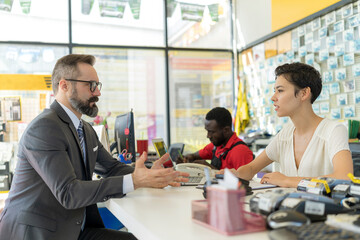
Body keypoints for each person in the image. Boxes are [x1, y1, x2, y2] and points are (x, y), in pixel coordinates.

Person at [0, 54, 189, 240]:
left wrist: (148, 174)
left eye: (97, 86)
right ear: (64, 85)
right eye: (90, 85)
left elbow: (111, 168)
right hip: (38, 232)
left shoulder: (85, 129)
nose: (97, 92)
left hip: (72, 227)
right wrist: (134, 180)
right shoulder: (44, 128)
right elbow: (69, 193)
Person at [219, 62, 353, 188]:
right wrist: (234, 173)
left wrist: (287, 180)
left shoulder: (333, 130)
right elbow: (251, 169)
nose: (273, 97)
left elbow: (344, 178)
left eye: (280, 90)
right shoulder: (285, 134)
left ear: (304, 93)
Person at [178, 107, 254, 170]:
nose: (208, 136)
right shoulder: (216, 145)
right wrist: (188, 159)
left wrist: (210, 170)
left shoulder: (240, 152)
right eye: (207, 131)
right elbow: (194, 156)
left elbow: (245, 182)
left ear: (226, 130)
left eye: (212, 132)